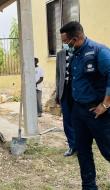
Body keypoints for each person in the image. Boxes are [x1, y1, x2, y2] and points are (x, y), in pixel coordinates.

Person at [60, 21, 110, 189]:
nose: (66, 46)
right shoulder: (76, 54)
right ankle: (89, 186)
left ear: (76, 38)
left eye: (67, 42)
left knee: (108, 150)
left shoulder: (99, 51)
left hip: (97, 112)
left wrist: (105, 105)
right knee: (83, 150)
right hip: (79, 112)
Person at [56, 49, 76, 156]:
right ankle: (72, 146)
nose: (66, 42)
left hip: (78, 92)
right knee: (67, 120)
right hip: (64, 91)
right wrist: (57, 94)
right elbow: (58, 75)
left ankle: (82, 145)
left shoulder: (81, 51)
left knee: (79, 120)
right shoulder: (60, 54)